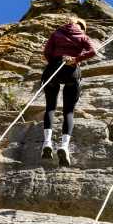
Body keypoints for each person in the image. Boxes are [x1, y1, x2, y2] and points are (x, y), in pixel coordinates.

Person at [40, 18, 97, 166]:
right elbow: (93, 51)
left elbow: (47, 52)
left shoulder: (57, 32)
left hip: (53, 69)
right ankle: (64, 145)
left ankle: (47, 143)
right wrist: (76, 59)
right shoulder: (83, 36)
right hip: (71, 70)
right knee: (68, 112)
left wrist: (54, 62)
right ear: (82, 27)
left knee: (50, 107)